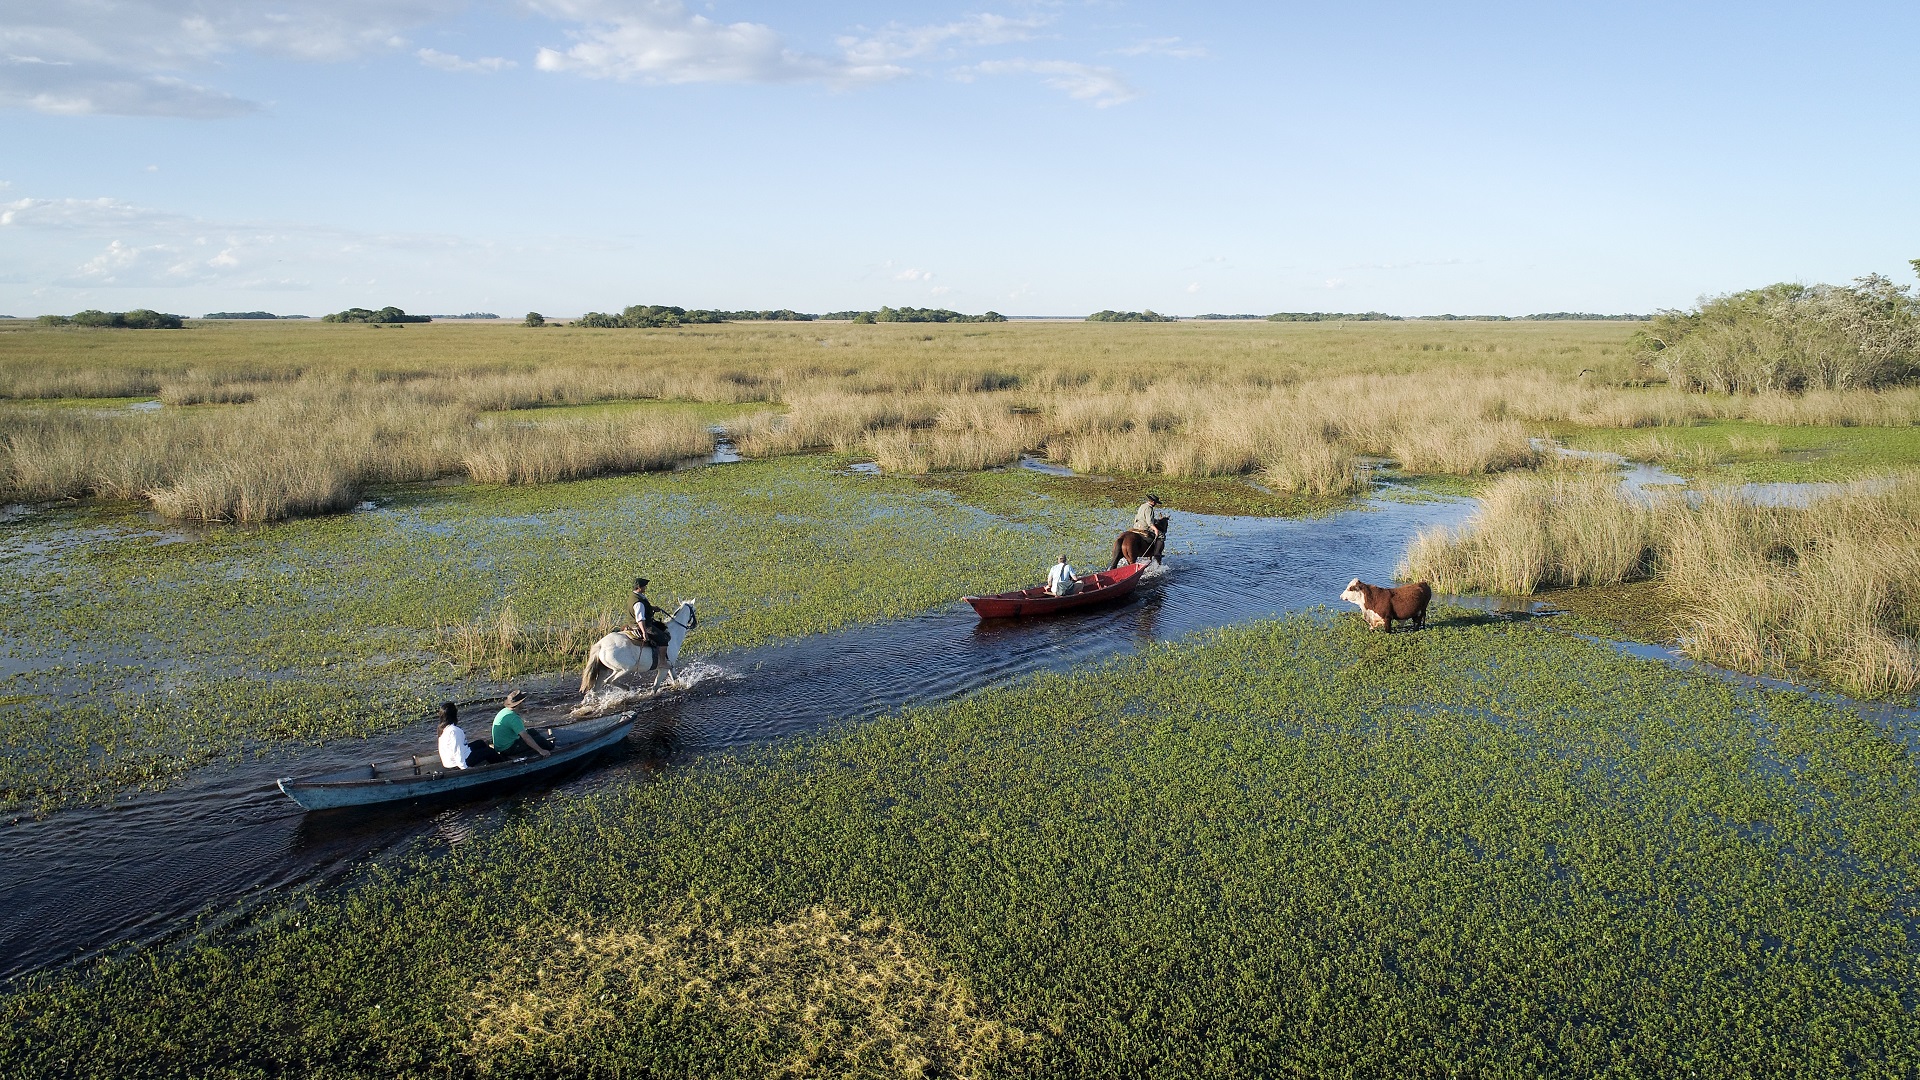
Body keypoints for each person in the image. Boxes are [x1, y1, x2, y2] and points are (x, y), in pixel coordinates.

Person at [491, 690, 553, 760]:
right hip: (507, 749)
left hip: (503, 745)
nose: (525, 703)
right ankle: (551, 749)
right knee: (540, 740)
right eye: (523, 702)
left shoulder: (505, 711)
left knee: (532, 731)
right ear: (519, 704)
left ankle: (545, 745)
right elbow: (526, 737)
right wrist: (541, 751)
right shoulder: (513, 718)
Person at [437, 701, 500, 769]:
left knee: (480, 743)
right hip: (456, 764)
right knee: (489, 751)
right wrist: (464, 768)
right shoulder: (454, 731)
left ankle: (492, 761)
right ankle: (503, 765)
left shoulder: (442, 728)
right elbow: (457, 752)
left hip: (449, 761)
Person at [630, 577, 670, 648]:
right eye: (644, 586)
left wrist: (652, 608)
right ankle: (662, 659)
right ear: (639, 587)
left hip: (631, 623)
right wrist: (644, 632)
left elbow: (639, 609)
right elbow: (640, 619)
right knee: (663, 639)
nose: (645, 587)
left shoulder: (633, 596)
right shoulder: (639, 602)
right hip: (643, 625)